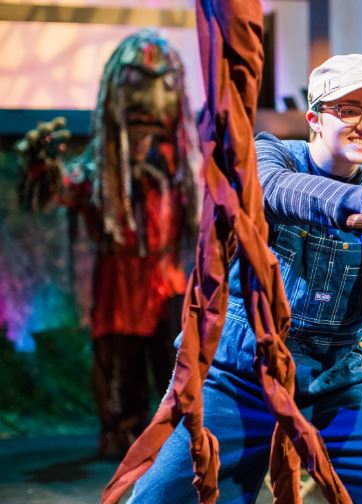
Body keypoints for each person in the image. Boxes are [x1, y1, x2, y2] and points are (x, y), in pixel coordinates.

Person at [127, 54, 362, 503]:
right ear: (315, 118)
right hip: (237, 378)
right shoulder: (270, 155)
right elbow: (274, 191)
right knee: (159, 499)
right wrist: (360, 203)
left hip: (332, 383)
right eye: (349, 110)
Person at [15, 30, 201, 459]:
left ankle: (176, 439)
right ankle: (125, 434)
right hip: (120, 287)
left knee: (175, 366)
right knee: (121, 367)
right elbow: (62, 188)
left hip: (169, 282)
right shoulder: (100, 169)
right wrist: (42, 170)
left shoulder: (181, 167)